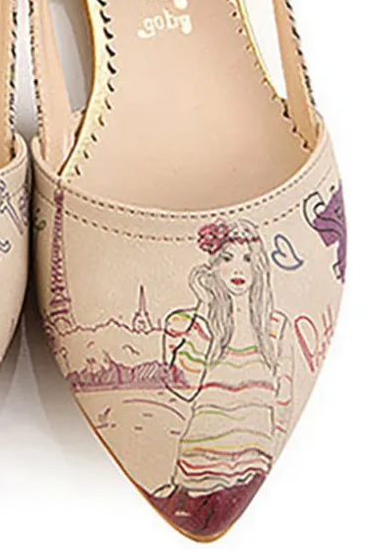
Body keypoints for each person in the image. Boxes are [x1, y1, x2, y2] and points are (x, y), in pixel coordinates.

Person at [150, 219, 293, 538]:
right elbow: (183, 385)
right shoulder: (184, 323)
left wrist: (271, 451)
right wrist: (205, 310)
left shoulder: (275, 328)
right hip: (200, 471)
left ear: (259, 266)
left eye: (247, 258)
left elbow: (284, 401)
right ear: (212, 266)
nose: (238, 268)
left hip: (255, 463)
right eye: (227, 258)